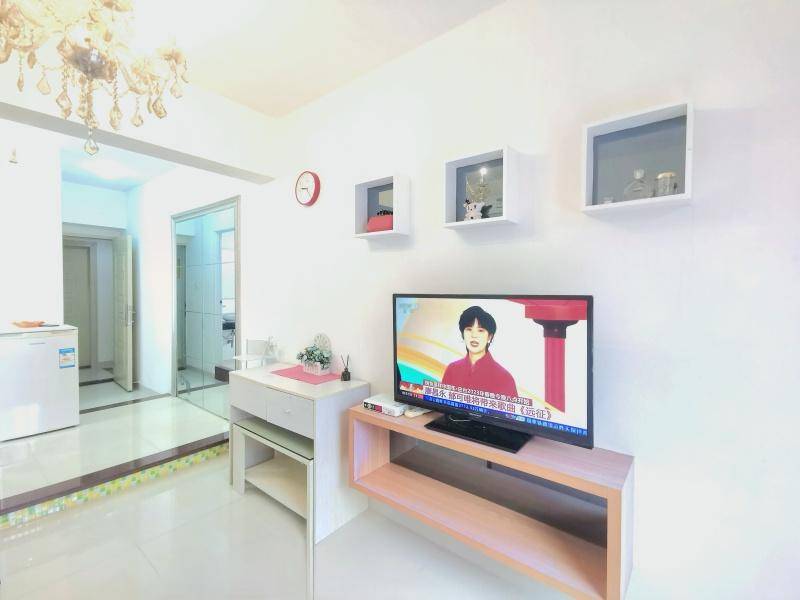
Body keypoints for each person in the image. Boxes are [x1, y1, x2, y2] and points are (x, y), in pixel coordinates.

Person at [441, 306, 518, 397]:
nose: (474, 335)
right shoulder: (452, 370)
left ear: (489, 337)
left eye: (480, 330)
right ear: (463, 334)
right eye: (469, 329)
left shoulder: (504, 378)